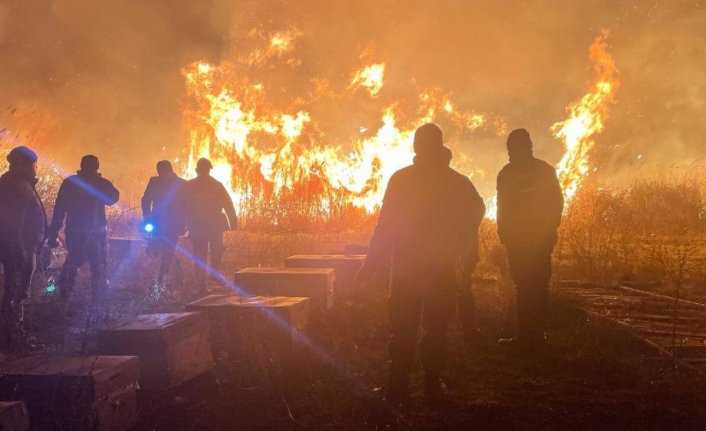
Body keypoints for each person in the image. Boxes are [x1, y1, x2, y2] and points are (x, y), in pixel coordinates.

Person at [357, 123, 485, 404]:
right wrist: (467, 258)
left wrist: (372, 263)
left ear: (418, 146)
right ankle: (429, 384)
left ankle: (401, 384)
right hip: (436, 269)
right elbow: (474, 218)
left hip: (411, 269)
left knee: (407, 328)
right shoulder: (457, 182)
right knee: (432, 328)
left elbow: (385, 227)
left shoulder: (403, 179)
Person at [496, 129, 563, 350]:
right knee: (537, 286)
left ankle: (528, 337)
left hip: (520, 241)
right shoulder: (544, 170)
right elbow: (556, 205)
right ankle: (536, 336)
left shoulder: (507, 173)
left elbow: (502, 207)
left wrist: (505, 234)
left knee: (525, 287)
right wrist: (549, 231)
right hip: (537, 240)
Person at [47, 155, 120, 305]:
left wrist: (54, 232)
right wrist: (101, 183)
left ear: (81, 166)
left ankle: (64, 296)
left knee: (73, 261)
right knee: (98, 265)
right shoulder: (102, 183)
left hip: (75, 231)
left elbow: (60, 208)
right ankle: (99, 300)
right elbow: (112, 199)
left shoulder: (70, 183)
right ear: (97, 167)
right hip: (97, 232)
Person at [0, 146, 46, 352]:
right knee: (17, 291)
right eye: (33, 165)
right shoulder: (17, 187)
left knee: (16, 289)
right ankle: (13, 338)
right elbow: (13, 221)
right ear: (24, 165)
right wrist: (19, 248)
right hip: (21, 249)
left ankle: (13, 335)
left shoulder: (12, 183)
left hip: (23, 246)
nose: (36, 169)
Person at [180, 158, 237, 285]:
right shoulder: (216, 185)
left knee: (201, 251)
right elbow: (228, 204)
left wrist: (182, 223)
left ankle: (203, 280)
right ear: (208, 170)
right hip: (212, 224)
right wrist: (233, 223)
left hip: (199, 224)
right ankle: (211, 275)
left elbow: (182, 206)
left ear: (196, 170)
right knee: (214, 249)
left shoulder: (190, 185)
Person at [141, 160, 186, 283]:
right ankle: (176, 270)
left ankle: (162, 277)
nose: (161, 175)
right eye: (159, 172)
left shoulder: (181, 184)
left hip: (174, 223)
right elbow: (146, 199)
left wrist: (184, 224)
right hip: (157, 221)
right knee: (157, 249)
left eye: (163, 172)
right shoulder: (154, 182)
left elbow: (188, 206)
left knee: (169, 248)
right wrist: (146, 216)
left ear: (170, 171)